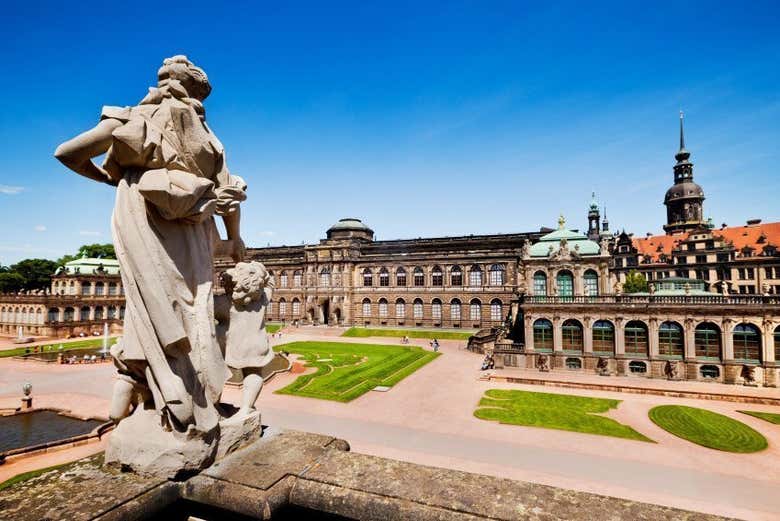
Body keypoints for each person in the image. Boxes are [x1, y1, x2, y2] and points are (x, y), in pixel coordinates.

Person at [55, 56, 246, 434]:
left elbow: (67, 153)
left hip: (139, 213)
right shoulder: (208, 140)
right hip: (192, 223)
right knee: (191, 303)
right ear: (197, 92)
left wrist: (112, 180)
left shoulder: (130, 118)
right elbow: (230, 195)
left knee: (148, 295)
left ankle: (138, 377)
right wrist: (233, 238)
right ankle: (184, 392)